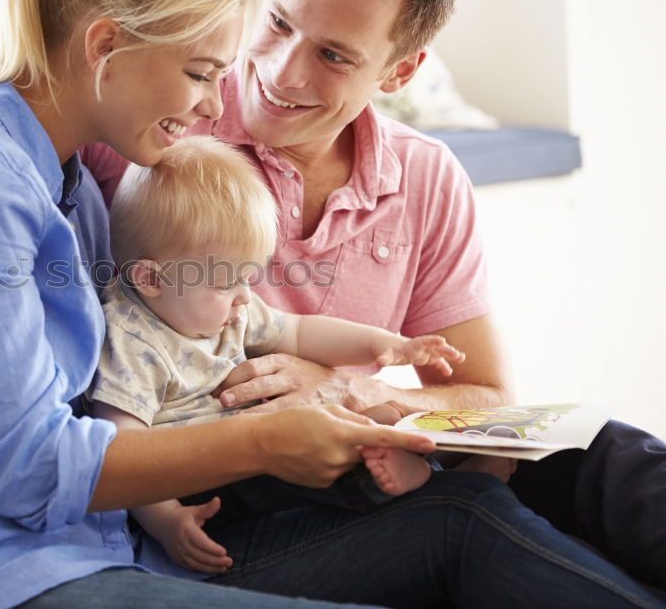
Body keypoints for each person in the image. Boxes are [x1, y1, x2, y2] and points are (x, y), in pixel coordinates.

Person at [0, 0, 666, 605]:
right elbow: (9, 86)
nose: (247, 89)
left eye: (334, 55)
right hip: (122, 522)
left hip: (151, 516)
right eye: (273, 30)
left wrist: (349, 396)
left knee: (594, 452)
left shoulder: (91, 173)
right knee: (476, 524)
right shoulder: (131, 151)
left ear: (399, 74)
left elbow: (483, 394)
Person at [90, 135, 520, 574]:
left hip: (251, 446)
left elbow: (299, 331)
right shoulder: (130, 341)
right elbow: (123, 449)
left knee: (355, 422)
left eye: (249, 279)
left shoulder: (222, 305)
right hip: (202, 480)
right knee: (320, 460)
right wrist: (165, 520)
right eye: (225, 284)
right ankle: (432, 481)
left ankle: (413, 459)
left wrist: (384, 344)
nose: (244, 299)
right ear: (150, 279)